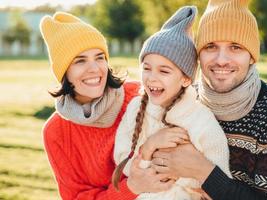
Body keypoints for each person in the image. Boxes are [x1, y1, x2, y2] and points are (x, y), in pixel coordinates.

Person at [151, 0, 267, 200]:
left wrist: (204, 173)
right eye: (210, 46)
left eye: (235, 47)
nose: (221, 59)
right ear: (198, 54)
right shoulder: (179, 104)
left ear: (252, 56)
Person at [40, 12, 174, 199]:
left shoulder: (138, 94)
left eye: (100, 57)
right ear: (64, 72)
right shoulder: (56, 132)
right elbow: (77, 197)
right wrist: (132, 187)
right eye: (80, 61)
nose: (95, 68)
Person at [112, 6, 232, 200]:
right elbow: (123, 160)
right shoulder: (136, 108)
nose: (152, 78)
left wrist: (189, 177)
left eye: (164, 71)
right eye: (147, 68)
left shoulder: (200, 119)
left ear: (185, 79)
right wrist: (150, 146)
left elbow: (218, 177)